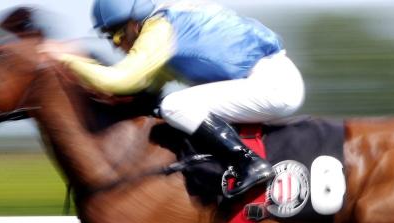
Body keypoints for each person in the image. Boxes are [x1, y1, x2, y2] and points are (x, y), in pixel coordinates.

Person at [44, 0, 306, 198]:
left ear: (136, 24)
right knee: (168, 106)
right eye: (107, 36)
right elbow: (146, 88)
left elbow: (120, 80)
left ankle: (249, 162)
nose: (114, 43)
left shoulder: (158, 30)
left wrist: (65, 60)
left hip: (273, 85)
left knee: (175, 105)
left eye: (117, 33)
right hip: (267, 79)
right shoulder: (166, 28)